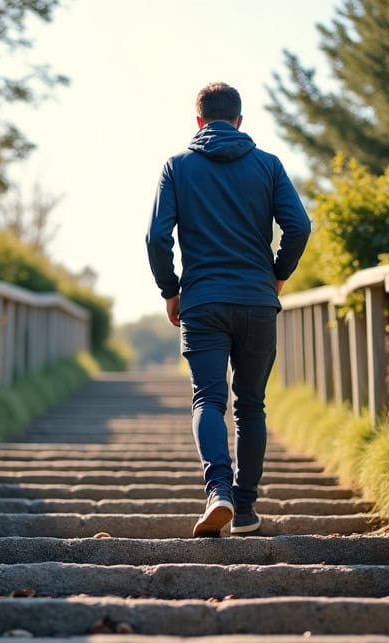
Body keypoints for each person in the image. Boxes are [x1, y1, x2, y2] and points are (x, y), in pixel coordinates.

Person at [145, 82, 311, 538]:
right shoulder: (269, 165)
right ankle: (246, 508)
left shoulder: (177, 167)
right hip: (258, 299)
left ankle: (217, 490)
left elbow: (156, 239)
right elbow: (298, 226)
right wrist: (277, 274)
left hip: (202, 302)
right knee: (251, 404)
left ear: (198, 121)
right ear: (240, 120)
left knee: (208, 399)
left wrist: (170, 290)